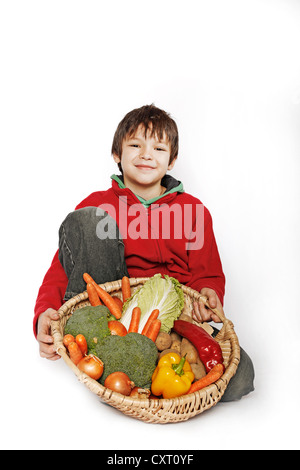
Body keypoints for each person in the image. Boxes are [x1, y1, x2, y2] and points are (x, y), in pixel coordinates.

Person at [34, 104, 254, 401]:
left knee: (240, 380)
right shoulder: (99, 204)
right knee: (88, 220)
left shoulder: (194, 211)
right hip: (114, 310)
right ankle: (97, 349)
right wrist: (43, 313)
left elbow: (209, 273)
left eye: (158, 148)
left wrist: (209, 293)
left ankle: (139, 379)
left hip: (174, 319)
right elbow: (63, 267)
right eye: (135, 145)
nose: (146, 154)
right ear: (117, 155)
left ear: (172, 160)